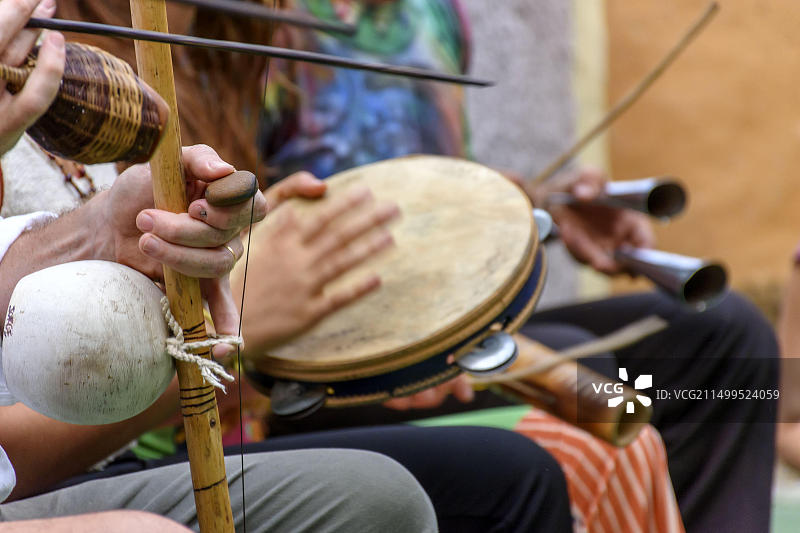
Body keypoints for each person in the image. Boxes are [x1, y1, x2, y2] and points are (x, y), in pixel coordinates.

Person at [2, 2, 576, 532]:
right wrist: (243, 324)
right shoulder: (56, 65)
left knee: (605, 395)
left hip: (219, 397)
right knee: (515, 470)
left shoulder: (217, 45)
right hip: (143, 437)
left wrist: (108, 231)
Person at [249, 2, 778, 533]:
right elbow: (239, 240)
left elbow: (441, 192)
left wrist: (540, 205)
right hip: (321, 366)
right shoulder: (254, 22)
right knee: (596, 371)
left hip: (453, 329)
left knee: (726, 335)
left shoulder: (434, 14)